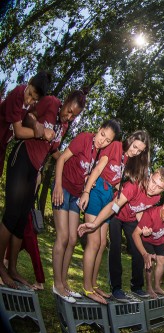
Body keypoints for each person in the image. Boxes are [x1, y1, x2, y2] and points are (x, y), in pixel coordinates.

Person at [0, 88, 87, 290]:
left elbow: (54, 150)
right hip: (22, 157)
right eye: (69, 111)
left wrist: (69, 164)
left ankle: (12, 268)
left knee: (22, 219)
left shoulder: (64, 126)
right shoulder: (50, 102)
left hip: (34, 169)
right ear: (65, 102)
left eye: (74, 115)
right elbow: (26, 116)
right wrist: (38, 126)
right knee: (12, 214)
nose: (69, 116)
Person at [78, 167, 164, 302]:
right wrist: (96, 222)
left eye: (159, 187)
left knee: (139, 248)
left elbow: (140, 209)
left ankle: (137, 286)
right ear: (149, 176)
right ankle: (116, 288)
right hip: (116, 215)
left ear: (163, 190)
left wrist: (144, 227)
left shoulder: (156, 197)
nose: (153, 188)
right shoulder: (134, 186)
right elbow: (115, 205)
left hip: (131, 219)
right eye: (153, 182)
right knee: (115, 247)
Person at [78, 130, 150, 304]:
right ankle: (87, 288)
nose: (135, 152)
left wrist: (128, 195)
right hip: (96, 192)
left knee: (102, 244)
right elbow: (100, 168)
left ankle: (94, 285)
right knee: (93, 243)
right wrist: (86, 191)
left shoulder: (128, 161)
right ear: (130, 140)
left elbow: (116, 182)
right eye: (134, 147)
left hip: (108, 196)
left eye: (139, 151)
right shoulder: (116, 146)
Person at [52, 118, 119, 303]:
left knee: (73, 239)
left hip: (76, 195)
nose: (102, 141)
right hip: (63, 188)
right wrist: (57, 185)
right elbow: (62, 159)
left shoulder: (99, 154)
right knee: (63, 236)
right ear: (99, 130)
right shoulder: (84, 138)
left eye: (107, 140)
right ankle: (57, 284)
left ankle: (64, 284)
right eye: (102, 135)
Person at [0, 71, 52, 176]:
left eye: (34, 99)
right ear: (30, 82)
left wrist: (35, 123)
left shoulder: (31, 106)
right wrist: (41, 133)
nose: (29, 100)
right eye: (29, 94)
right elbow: (18, 132)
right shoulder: (18, 93)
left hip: (3, 144)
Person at [133, 196, 164, 298]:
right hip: (147, 240)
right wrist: (145, 254)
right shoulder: (150, 214)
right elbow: (135, 234)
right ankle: (149, 288)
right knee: (150, 261)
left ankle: (157, 287)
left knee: (162, 259)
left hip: (158, 240)